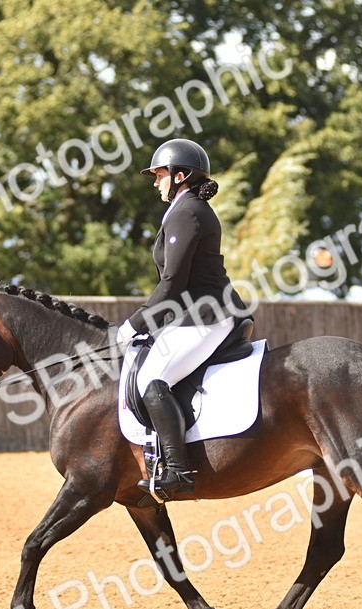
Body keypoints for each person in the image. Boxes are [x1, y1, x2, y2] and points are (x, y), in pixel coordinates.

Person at [117, 138, 244, 498]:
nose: (155, 182)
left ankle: (178, 472)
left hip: (206, 316)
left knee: (152, 379)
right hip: (192, 314)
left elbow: (172, 283)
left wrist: (134, 324)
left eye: (160, 175)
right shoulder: (184, 208)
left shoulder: (187, 212)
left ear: (180, 175)